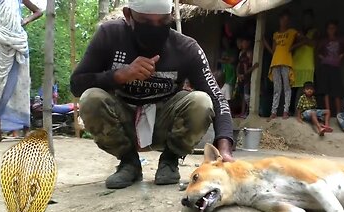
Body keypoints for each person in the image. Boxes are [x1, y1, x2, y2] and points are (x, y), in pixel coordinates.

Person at [70, 0, 235, 190]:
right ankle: (129, 162)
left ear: (171, 16)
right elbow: (76, 84)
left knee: (201, 101)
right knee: (91, 99)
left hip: (165, 124)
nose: (155, 28)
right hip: (124, 122)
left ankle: (170, 160)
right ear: (128, 15)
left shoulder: (186, 48)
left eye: (162, 22)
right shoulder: (109, 35)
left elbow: (217, 98)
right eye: (146, 23)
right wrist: (119, 75)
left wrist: (224, 150)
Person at [0, 0, 42, 143]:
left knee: (21, 85)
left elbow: (38, 11)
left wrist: (25, 20)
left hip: (17, 43)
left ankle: (26, 129)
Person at [263, 9, 301, 121]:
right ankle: (273, 112)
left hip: (286, 61)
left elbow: (303, 39)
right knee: (277, 89)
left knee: (287, 88)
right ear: (279, 20)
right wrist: (266, 44)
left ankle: (285, 111)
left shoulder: (292, 32)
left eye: (287, 20)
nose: (284, 22)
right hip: (275, 62)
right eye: (283, 19)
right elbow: (274, 50)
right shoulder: (275, 34)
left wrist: (293, 47)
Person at [316, 20, 344, 115]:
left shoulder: (340, 39)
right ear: (327, 30)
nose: (331, 30)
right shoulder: (324, 41)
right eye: (329, 28)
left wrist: (343, 55)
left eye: (333, 28)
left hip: (335, 66)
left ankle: (338, 112)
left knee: (336, 89)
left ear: (336, 29)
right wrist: (321, 57)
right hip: (325, 65)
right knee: (325, 89)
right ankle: (328, 111)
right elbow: (316, 50)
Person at [236, 37, 259, 118]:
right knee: (243, 96)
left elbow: (250, 66)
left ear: (248, 43)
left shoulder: (250, 53)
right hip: (241, 77)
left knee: (247, 96)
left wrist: (253, 68)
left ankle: (248, 112)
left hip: (247, 78)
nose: (243, 44)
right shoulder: (241, 53)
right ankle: (242, 113)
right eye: (242, 42)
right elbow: (239, 65)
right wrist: (238, 74)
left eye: (244, 42)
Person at [217, 36, 237, 104]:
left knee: (228, 98)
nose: (225, 43)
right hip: (223, 77)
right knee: (221, 96)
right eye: (223, 42)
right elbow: (219, 60)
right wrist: (226, 60)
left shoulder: (232, 51)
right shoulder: (223, 51)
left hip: (230, 78)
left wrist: (225, 60)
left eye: (226, 41)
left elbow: (233, 60)